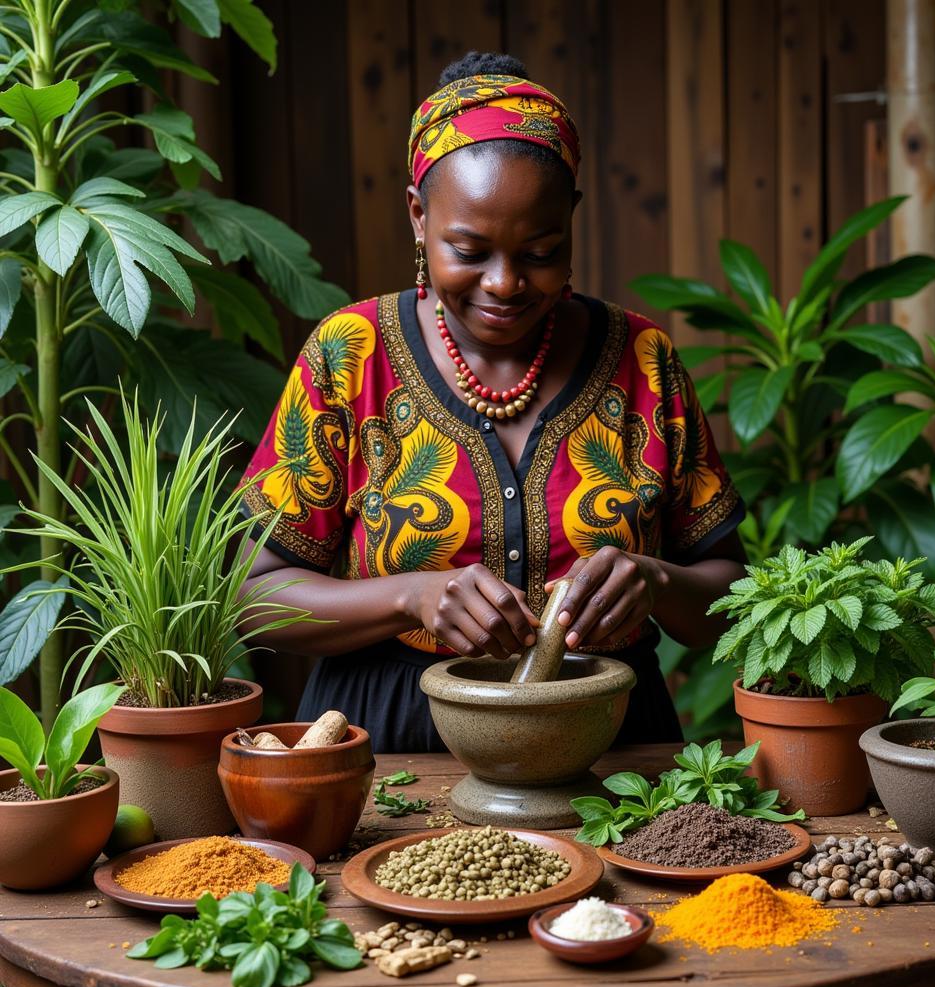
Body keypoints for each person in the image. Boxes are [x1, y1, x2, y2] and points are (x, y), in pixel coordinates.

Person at [239, 51, 746, 753]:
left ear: (571, 222)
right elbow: (251, 599)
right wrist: (407, 596)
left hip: (614, 756)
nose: (505, 283)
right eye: (469, 250)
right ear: (418, 218)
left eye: (540, 251)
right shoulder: (350, 356)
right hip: (390, 751)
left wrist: (656, 581)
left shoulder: (642, 360)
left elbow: (734, 600)